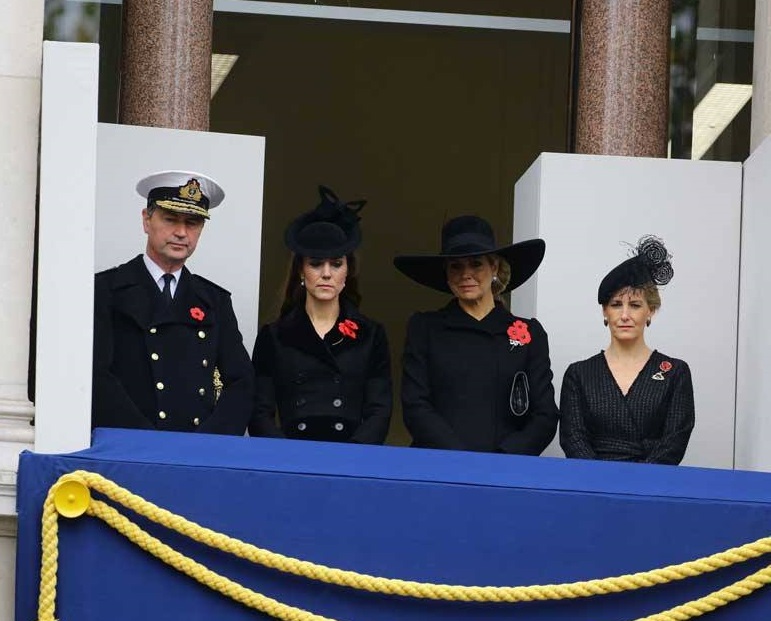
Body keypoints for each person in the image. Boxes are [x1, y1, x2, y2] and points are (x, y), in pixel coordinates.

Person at [92, 170, 254, 434]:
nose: (181, 232)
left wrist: (209, 442)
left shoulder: (214, 301)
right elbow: (96, 375)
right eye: (170, 219)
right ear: (146, 220)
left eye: (192, 223)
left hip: (195, 449)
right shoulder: (106, 290)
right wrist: (144, 440)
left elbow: (241, 382)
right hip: (128, 444)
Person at [394, 215, 558, 454]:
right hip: (440, 464)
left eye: (476, 263)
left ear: (494, 267)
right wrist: (460, 459)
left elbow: (545, 415)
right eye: (456, 266)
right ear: (446, 273)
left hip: (506, 468)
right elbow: (415, 405)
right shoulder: (425, 328)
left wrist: (503, 459)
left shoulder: (530, 333)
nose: (466, 274)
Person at [249, 186, 392, 443]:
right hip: (292, 455)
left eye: (336, 264)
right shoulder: (274, 336)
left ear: (347, 271)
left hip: (350, 456)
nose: (326, 273)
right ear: (301, 271)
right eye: (316, 263)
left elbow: (379, 410)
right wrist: (283, 455)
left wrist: (354, 455)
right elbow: (259, 412)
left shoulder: (371, 335)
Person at [559, 236, 695, 464]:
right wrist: (599, 478)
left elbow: (675, 440)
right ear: (605, 312)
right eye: (615, 305)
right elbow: (573, 438)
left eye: (635, 305)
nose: (624, 315)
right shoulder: (579, 374)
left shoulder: (675, 372)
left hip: (652, 481)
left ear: (651, 311)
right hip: (592, 480)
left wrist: (639, 478)